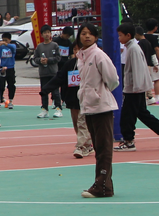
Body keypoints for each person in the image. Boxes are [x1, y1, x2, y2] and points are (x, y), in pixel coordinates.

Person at [75, 24, 118, 198]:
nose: (86, 36)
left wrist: (99, 93)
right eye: (83, 34)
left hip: (102, 107)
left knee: (104, 148)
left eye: (90, 34)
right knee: (98, 148)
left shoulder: (99, 55)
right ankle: (105, 186)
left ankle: (101, 186)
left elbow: (113, 79)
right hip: (89, 107)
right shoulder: (81, 57)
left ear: (95, 37)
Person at [115, 22, 159, 152]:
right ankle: (129, 140)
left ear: (128, 35)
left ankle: (128, 141)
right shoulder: (132, 47)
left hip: (134, 89)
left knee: (127, 116)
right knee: (143, 114)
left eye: (120, 35)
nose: (119, 38)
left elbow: (137, 69)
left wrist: (137, 88)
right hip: (135, 88)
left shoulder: (133, 48)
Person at [53, 42, 93, 159]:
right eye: (75, 50)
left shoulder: (89, 63)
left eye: (79, 49)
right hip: (72, 99)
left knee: (82, 123)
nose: (77, 52)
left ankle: (80, 147)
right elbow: (61, 79)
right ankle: (88, 143)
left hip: (85, 98)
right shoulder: (69, 64)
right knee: (77, 124)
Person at [31, 26, 62, 118]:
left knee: (55, 91)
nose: (47, 34)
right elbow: (35, 58)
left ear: (51, 34)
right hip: (43, 73)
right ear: (42, 35)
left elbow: (58, 58)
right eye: (45, 33)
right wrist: (40, 60)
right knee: (44, 91)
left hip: (53, 72)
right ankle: (44, 109)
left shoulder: (55, 45)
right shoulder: (39, 47)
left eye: (48, 32)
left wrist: (48, 60)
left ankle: (58, 109)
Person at [0, 33, 17, 109]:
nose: (4, 42)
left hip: (10, 68)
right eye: (3, 40)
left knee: (11, 85)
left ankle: (11, 101)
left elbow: (14, 47)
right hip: (2, 68)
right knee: (0, 85)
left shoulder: (12, 46)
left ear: (9, 40)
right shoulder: (0, 47)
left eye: (6, 40)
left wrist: (6, 43)